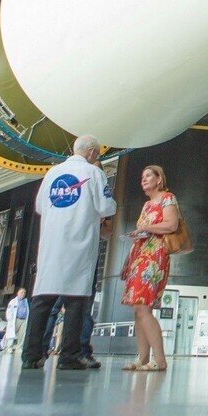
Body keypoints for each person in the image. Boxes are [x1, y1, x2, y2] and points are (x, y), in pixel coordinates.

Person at [22, 134, 116, 372]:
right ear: (93, 152)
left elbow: (40, 207)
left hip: (52, 245)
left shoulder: (52, 174)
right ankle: (69, 356)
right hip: (79, 243)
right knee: (76, 301)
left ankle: (32, 356)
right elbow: (106, 206)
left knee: (43, 300)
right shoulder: (94, 173)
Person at [121, 165, 180, 371]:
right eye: (142, 176)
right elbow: (140, 234)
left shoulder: (168, 198)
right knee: (138, 309)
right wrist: (127, 262)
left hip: (154, 257)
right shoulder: (146, 205)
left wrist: (147, 228)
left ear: (159, 179)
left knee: (143, 306)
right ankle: (143, 357)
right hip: (139, 257)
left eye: (148, 176)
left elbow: (172, 225)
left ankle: (160, 359)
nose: (143, 179)